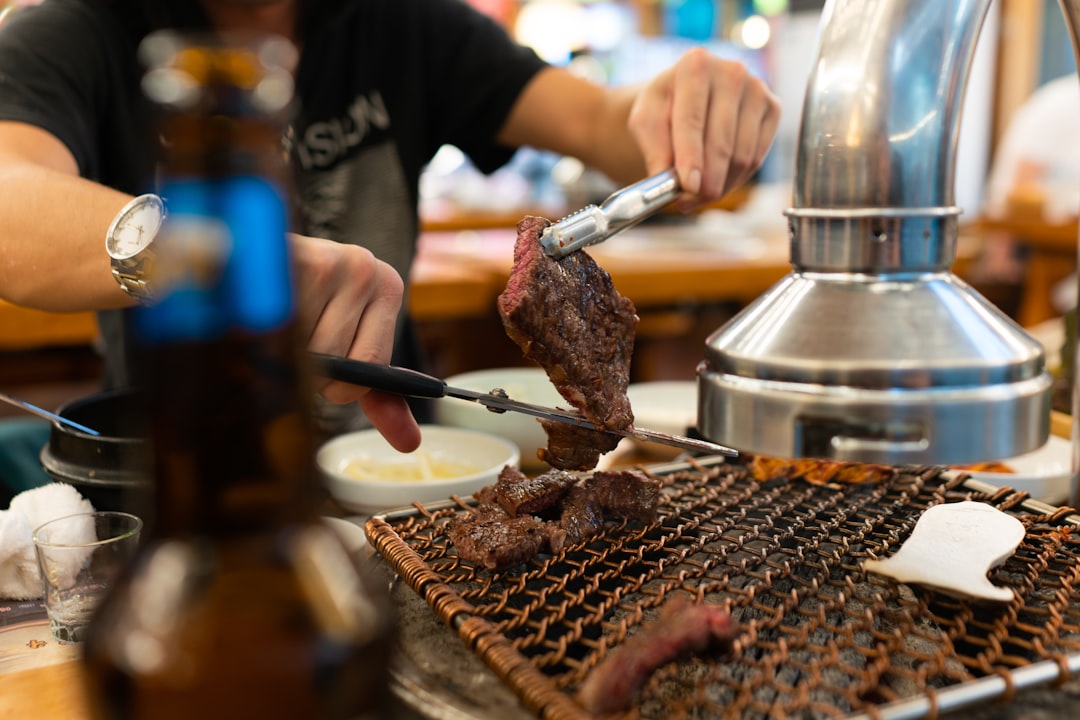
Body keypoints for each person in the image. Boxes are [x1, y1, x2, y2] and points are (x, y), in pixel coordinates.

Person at [0, 0, 780, 457]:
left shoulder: (401, 24)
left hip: (393, 452)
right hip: (177, 469)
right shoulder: (79, 32)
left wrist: (680, 107)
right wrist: (209, 256)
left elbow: (602, 121)